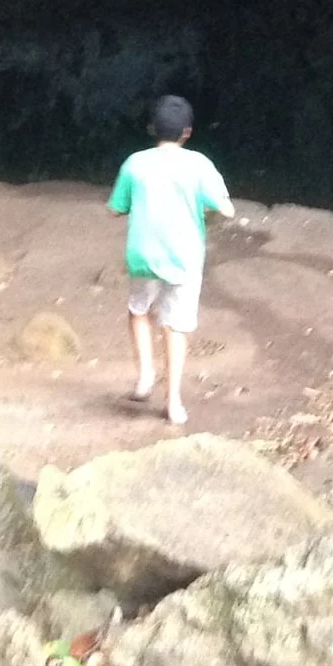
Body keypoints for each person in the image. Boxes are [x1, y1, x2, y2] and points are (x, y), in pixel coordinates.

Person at [109, 93, 232, 426]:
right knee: (175, 326)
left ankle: (145, 375)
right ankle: (174, 402)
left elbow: (115, 208)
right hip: (184, 256)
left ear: (152, 129)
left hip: (143, 253)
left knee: (138, 311)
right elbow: (225, 207)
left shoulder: (134, 163)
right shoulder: (199, 164)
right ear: (187, 132)